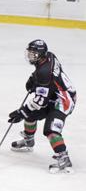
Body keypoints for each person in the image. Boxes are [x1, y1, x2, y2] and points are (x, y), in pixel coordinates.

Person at [8, 40, 76, 173]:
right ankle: (29, 140)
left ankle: (64, 158)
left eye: (33, 54)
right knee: (31, 115)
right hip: (54, 94)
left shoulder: (43, 72)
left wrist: (21, 112)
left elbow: (40, 102)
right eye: (30, 53)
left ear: (40, 54)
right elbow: (49, 77)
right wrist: (34, 79)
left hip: (63, 100)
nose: (30, 56)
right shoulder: (49, 55)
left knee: (51, 130)